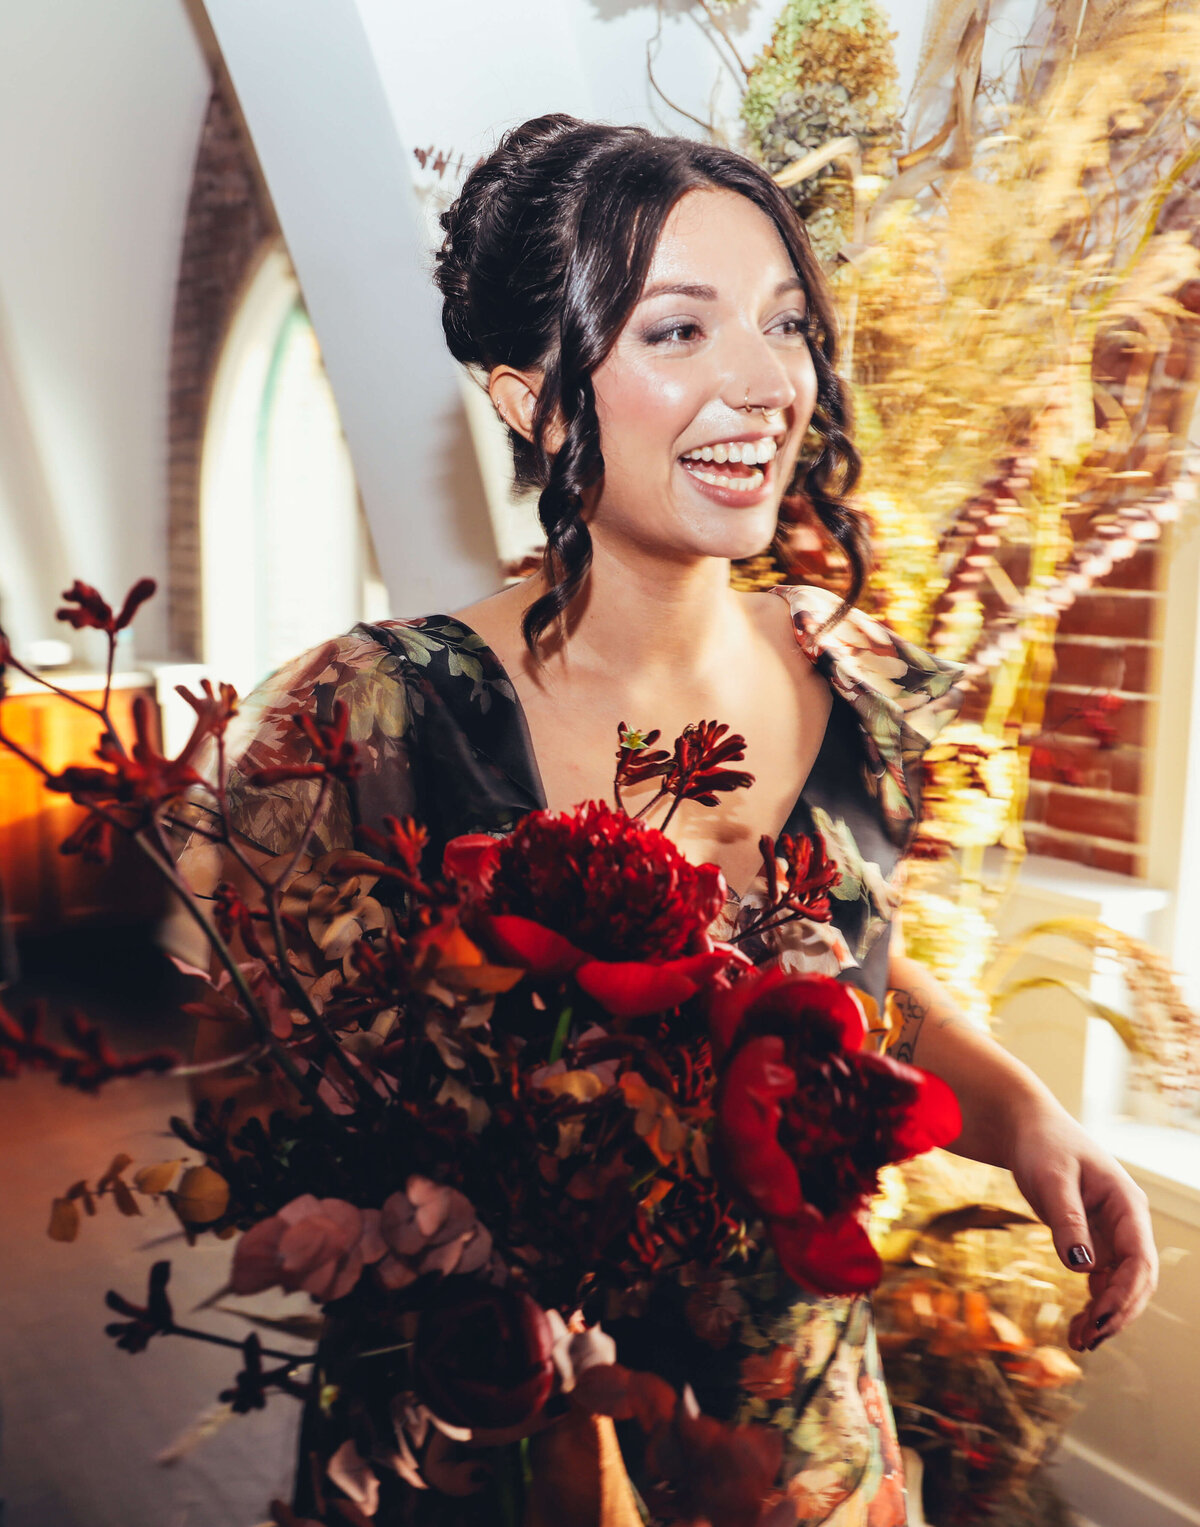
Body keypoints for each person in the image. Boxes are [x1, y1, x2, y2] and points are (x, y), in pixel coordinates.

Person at [187, 115, 1157, 1524]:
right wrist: (395, 1210)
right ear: (535, 403)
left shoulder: (859, 683)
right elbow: (239, 1086)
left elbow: (842, 971)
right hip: (496, 1440)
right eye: (680, 331)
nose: (766, 383)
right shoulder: (370, 722)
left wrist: (1026, 1117)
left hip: (790, 1439)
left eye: (783, 325)